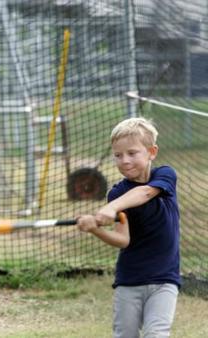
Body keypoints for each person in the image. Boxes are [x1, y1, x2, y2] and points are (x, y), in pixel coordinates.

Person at [77, 117, 180, 338]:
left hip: (164, 278)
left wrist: (111, 208)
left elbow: (144, 193)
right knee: (125, 334)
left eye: (132, 153)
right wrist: (95, 228)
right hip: (130, 280)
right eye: (118, 155)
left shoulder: (164, 176)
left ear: (151, 152)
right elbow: (123, 240)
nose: (124, 160)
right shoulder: (116, 193)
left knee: (157, 333)